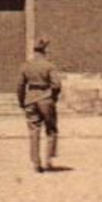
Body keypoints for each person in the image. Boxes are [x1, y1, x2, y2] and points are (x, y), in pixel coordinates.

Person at [17, 37, 62, 173]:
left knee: (34, 131)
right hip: (46, 99)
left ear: (34, 50)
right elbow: (57, 84)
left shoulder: (25, 66)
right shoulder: (49, 66)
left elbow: (20, 86)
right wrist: (53, 97)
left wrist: (21, 101)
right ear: (45, 50)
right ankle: (48, 161)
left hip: (30, 100)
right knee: (51, 130)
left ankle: (36, 163)